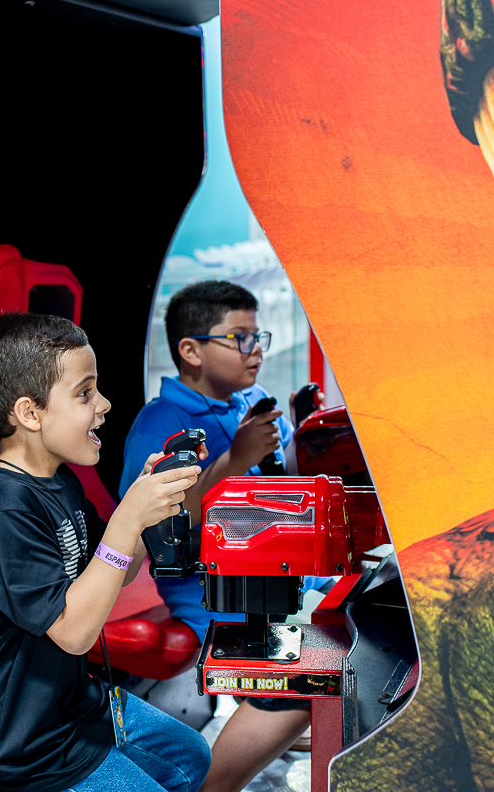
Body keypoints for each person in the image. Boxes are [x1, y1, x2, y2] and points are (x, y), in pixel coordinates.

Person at [0, 313, 212, 792]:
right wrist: (127, 519)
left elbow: (117, 569)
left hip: (74, 703)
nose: (104, 404)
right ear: (30, 413)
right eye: (85, 393)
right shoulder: (4, 507)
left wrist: (145, 506)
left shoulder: (60, 480)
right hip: (23, 745)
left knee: (189, 756)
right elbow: (74, 633)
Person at [119, 280, 332, 792]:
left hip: (283, 573)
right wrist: (233, 459)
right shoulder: (160, 423)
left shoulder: (250, 401)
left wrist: (308, 435)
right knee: (321, 654)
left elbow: (287, 479)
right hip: (214, 590)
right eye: (239, 338)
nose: (255, 350)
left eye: (258, 337)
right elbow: (150, 525)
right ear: (190, 351)